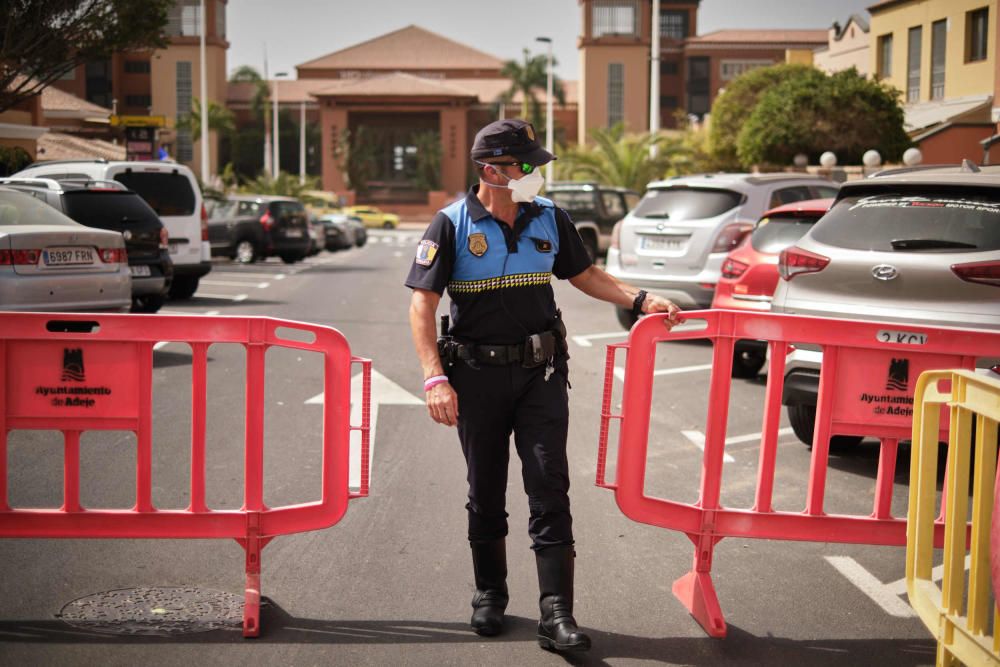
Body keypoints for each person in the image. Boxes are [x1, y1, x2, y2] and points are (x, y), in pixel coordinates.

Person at [405, 118, 682, 654]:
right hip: (476, 377)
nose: (535, 173)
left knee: (549, 485)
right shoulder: (451, 224)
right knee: (485, 490)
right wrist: (434, 377)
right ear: (491, 170)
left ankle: (556, 614)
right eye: (525, 166)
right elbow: (422, 303)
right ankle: (490, 594)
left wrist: (642, 299)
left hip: (541, 376)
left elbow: (586, 275)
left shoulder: (550, 217)